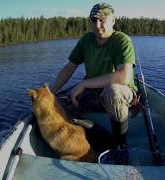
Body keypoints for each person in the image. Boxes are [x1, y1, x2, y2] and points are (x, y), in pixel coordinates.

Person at [51, 3, 137, 147]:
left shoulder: (122, 40)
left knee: (113, 91)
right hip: (93, 94)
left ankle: (120, 145)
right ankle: (97, 132)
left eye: (102, 20)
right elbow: (69, 67)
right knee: (54, 106)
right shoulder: (86, 40)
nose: (97, 25)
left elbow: (123, 77)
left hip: (121, 94)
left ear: (113, 21)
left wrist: (83, 83)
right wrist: (51, 92)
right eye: (94, 20)